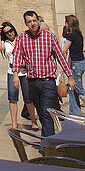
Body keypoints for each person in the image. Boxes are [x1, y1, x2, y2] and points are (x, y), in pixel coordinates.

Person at [12, 10, 75, 138]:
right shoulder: (22, 38)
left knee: (46, 112)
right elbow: (17, 57)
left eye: (34, 21)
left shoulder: (49, 36)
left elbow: (60, 57)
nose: (33, 24)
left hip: (48, 81)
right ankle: (47, 141)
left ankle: (48, 143)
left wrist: (70, 76)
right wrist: (15, 75)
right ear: (26, 23)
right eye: (29, 22)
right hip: (32, 82)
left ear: (38, 21)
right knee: (41, 113)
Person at [0, 20, 38, 128]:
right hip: (12, 72)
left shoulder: (21, 39)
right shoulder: (5, 43)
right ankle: (14, 122)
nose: (10, 34)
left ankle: (34, 120)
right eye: (7, 32)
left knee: (28, 98)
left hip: (24, 72)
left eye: (11, 31)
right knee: (12, 97)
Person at [62, 14, 84, 117]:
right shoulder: (79, 34)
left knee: (77, 87)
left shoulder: (71, 35)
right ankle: (75, 113)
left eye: (66, 22)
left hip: (76, 63)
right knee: (73, 89)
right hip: (81, 62)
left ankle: (75, 112)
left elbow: (64, 49)